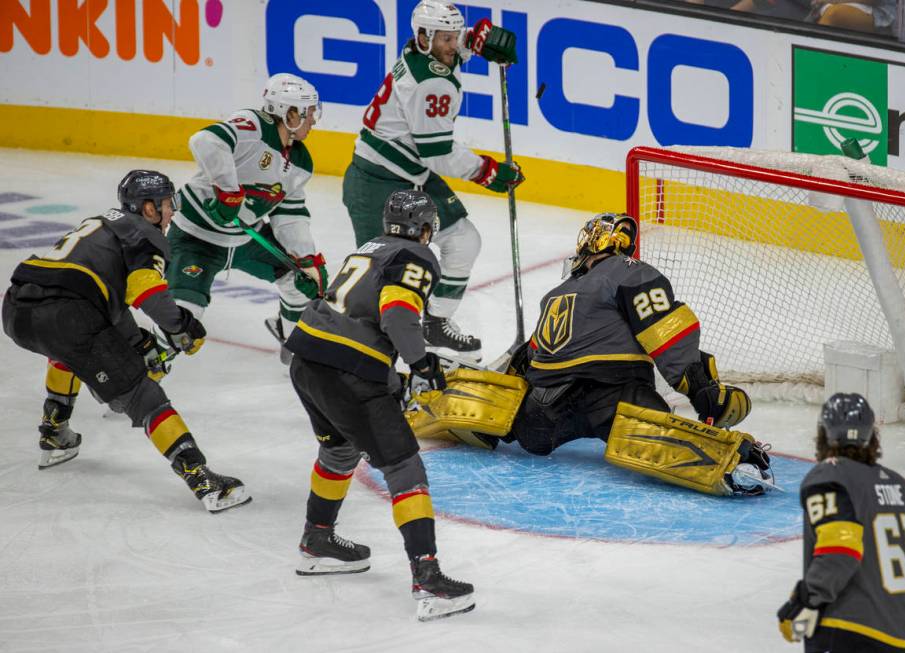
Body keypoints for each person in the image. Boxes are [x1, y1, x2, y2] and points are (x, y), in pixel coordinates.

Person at [405, 212, 775, 497]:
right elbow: (667, 332)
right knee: (650, 427)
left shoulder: (556, 292)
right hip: (612, 396)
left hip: (541, 412)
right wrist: (703, 389)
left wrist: (494, 397)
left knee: (522, 421)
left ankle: (437, 400)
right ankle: (725, 459)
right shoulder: (630, 272)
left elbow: (527, 355)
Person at [1, 170, 251, 513]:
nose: (171, 211)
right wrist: (181, 327)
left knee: (67, 350)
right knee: (143, 394)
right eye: (166, 203)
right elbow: (145, 291)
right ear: (148, 208)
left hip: (18, 308)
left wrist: (136, 342)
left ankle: (54, 431)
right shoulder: (144, 235)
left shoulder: (103, 223)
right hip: (67, 315)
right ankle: (201, 478)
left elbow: (100, 296)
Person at [285, 189, 474, 621]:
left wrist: (393, 377)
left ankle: (317, 540)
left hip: (307, 359)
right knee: (404, 464)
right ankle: (428, 578)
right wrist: (421, 363)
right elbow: (396, 316)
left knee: (338, 448)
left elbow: (361, 318)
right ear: (425, 228)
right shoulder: (417, 256)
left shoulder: (368, 251)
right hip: (347, 369)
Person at [342, 0, 524, 361]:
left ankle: (435, 324)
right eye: (445, 38)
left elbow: (453, 51)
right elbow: (437, 153)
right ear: (423, 37)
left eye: (455, 36)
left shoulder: (424, 51)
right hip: (376, 183)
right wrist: (487, 172)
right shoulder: (429, 84)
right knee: (379, 276)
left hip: (411, 175)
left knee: (464, 240)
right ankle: (352, 348)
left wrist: (476, 40)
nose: (452, 45)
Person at [167, 72, 329, 364]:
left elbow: (289, 216)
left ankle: (297, 354)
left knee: (297, 279)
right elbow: (204, 141)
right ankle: (134, 379)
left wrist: (306, 260)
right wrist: (228, 190)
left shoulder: (301, 162)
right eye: (308, 112)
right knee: (181, 321)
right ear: (288, 112)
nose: (313, 119)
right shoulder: (253, 125)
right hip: (196, 237)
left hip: (245, 239)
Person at [777, 393, 905, 652]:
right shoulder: (899, 484)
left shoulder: (830, 475)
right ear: (872, 437)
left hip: (851, 628)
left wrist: (808, 600)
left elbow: (840, 549)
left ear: (824, 435)